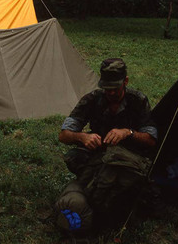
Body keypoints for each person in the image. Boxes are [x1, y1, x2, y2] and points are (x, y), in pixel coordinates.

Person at [57, 58, 158, 232]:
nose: (110, 93)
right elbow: (63, 135)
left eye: (115, 88)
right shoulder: (91, 100)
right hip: (99, 156)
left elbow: (151, 139)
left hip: (128, 158)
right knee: (76, 157)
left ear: (125, 82)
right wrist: (81, 137)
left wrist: (128, 132)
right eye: (106, 88)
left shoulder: (138, 101)